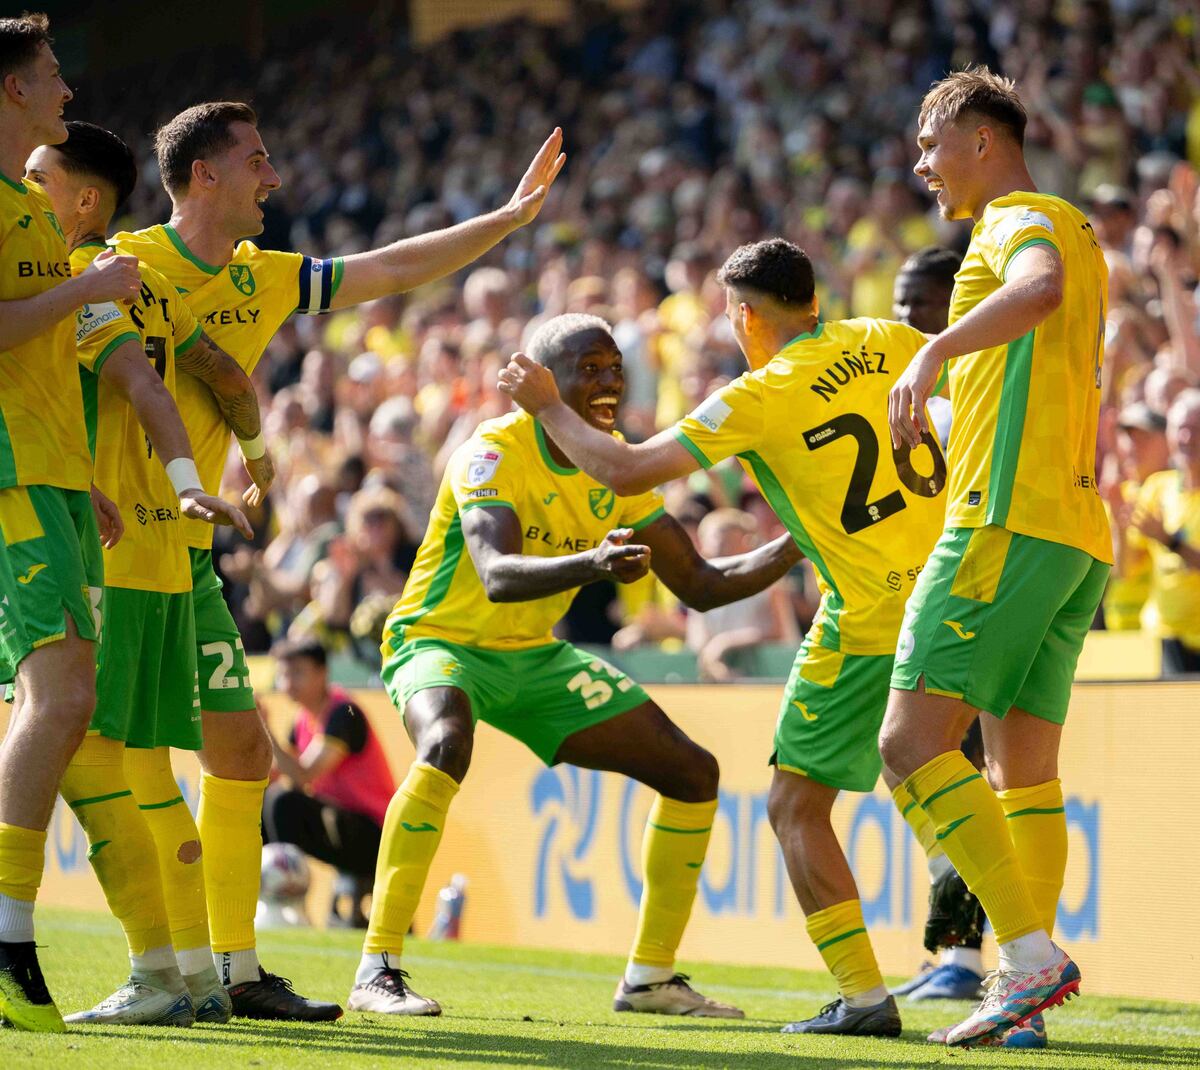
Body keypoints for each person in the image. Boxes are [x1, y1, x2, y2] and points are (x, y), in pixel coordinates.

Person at [110, 101, 565, 1020]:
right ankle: (156, 971)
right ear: (205, 175)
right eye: (257, 160)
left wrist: (508, 219)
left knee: (241, 753)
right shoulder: (120, 266)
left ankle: (235, 974)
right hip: (115, 543)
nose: (274, 177)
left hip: (192, 548)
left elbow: (393, 268)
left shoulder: (265, 277)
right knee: (119, 761)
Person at [499, 239, 947, 1039]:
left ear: (743, 313)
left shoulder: (759, 393)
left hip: (864, 614)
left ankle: (869, 996)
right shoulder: (889, 337)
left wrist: (547, 406)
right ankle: (1006, 940)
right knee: (952, 761)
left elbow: (629, 471)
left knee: (795, 803)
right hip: (947, 587)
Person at [355, 311, 802, 1019]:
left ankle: (651, 979)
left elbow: (702, 585)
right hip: (439, 641)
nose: (607, 382)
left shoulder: (614, 462)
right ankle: (378, 966)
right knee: (445, 741)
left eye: (614, 368)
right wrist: (593, 564)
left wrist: (798, 543)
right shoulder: (492, 451)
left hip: (531, 656)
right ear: (544, 382)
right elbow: (497, 572)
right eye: (587, 368)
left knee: (692, 772)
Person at [883, 67, 1110, 1047]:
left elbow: (1037, 287)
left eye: (931, 146)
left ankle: (1021, 954)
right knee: (1026, 774)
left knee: (909, 744)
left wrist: (930, 353)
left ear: (980, 138)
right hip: (1071, 534)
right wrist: (950, 402)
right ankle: (1026, 994)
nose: (921, 167)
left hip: (1001, 526)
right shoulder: (1077, 224)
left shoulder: (1018, 217)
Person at [26, 120, 262, 1026]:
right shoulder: (148, 283)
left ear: (83, 199)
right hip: (162, 549)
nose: (21, 188)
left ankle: (158, 971)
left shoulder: (85, 283)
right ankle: (197, 974)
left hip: (109, 554)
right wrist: (230, 465)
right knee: (145, 770)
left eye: (38, 177)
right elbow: (211, 376)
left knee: (100, 761)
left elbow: (139, 385)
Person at [0, 14, 143, 1032]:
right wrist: (90, 286)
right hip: (11, 475)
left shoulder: (27, 209)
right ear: (12, 90)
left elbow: (38, 358)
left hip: (52, 475)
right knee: (57, 697)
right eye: (50, 75)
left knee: (66, 696)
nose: (65, 89)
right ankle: (6, 932)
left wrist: (84, 474)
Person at [884, 246, 991, 1010]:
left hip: (974, 595)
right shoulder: (904, 387)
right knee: (915, 768)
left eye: (921, 303)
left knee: (959, 768)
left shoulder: (978, 382)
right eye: (898, 302)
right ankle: (954, 948)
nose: (905, 318)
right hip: (917, 598)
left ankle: (976, 956)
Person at [262, 638, 395, 925]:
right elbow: (277, 775)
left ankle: (289, 896)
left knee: (282, 802)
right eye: (283, 674)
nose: (288, 682)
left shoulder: (344, 713)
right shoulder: (301, 721)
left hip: (375, 835)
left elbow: (303, 776)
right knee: (261, 801)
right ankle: (262, 900)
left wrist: (265, 731)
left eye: (297, 672)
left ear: (322, 673)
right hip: (341, 825)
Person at [1124, 390, 1200, 673]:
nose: (1187, 439)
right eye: (1181, 429)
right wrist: (1120, 527)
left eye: (1196, 429)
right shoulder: (1158, 487)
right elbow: (1125, 569)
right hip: (1162, 638)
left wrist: (1170, 541)